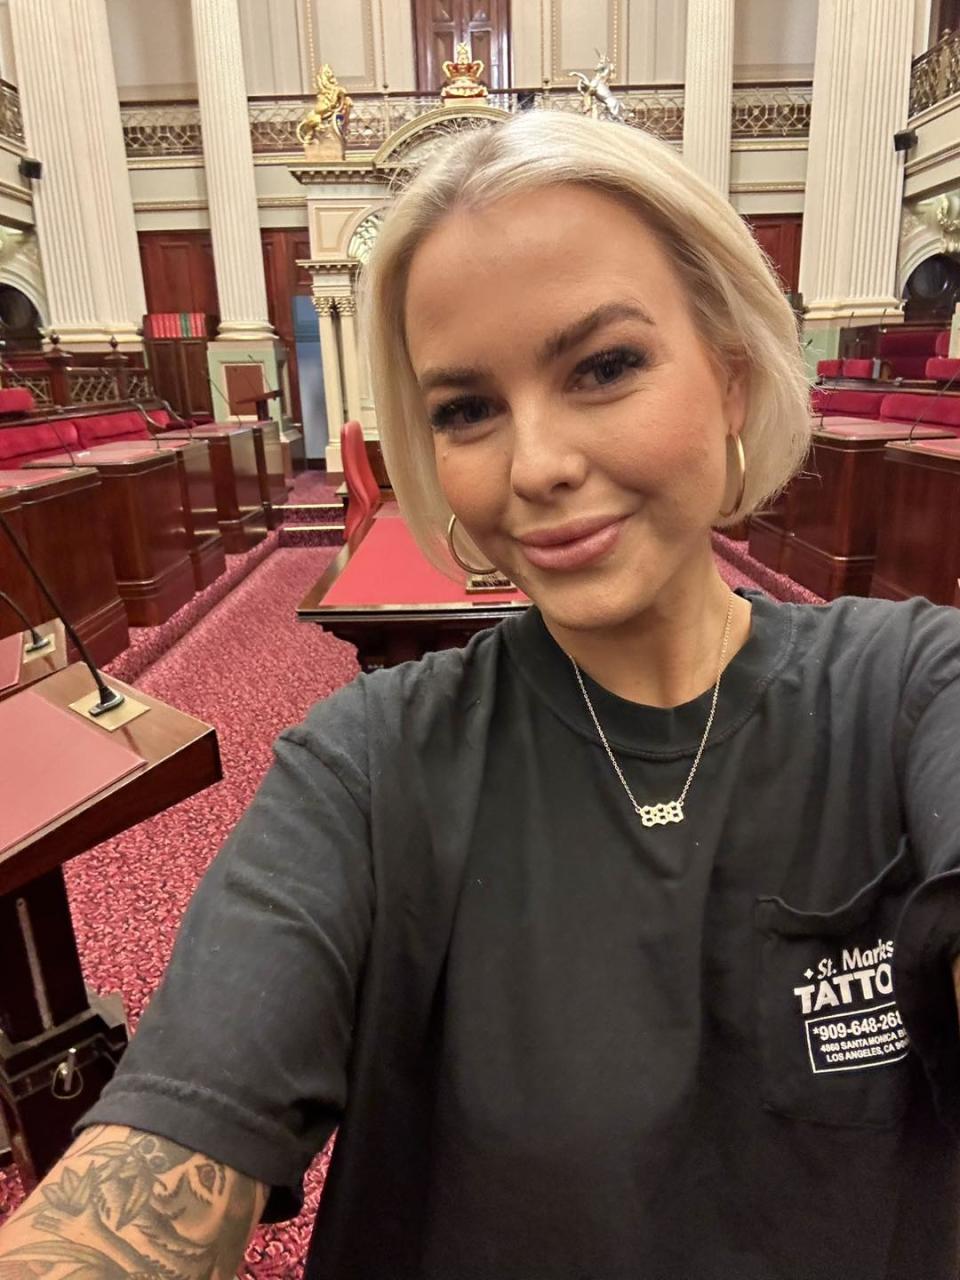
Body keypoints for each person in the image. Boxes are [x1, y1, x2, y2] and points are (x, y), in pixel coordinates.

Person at [2, 110, 960, 1280]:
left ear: (732, 376)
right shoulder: (367, 763)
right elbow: (161, 1144)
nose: (536, 465)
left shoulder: (919, 686)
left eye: (603, 367)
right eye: (466, 408)